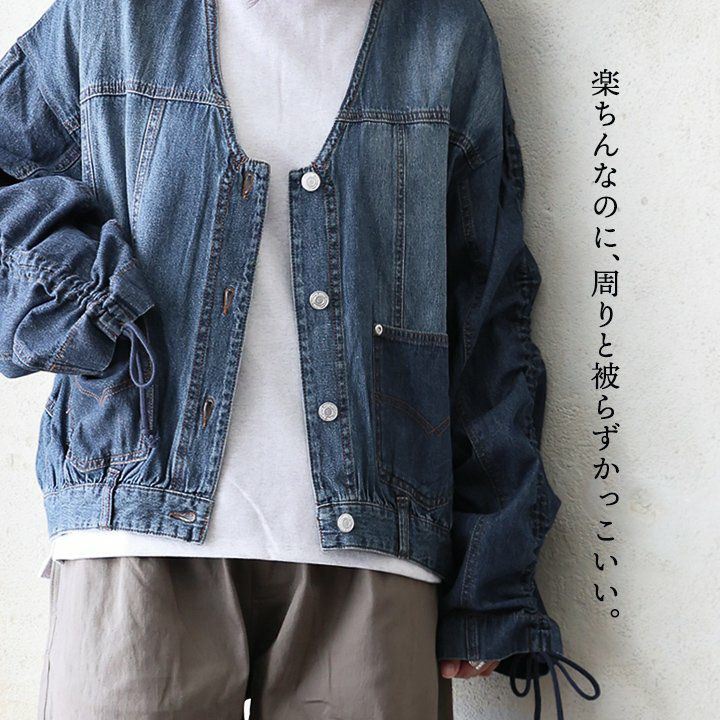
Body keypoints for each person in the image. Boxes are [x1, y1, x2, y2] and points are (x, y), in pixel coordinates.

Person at [0, 0, 601, 718]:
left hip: (376, 548)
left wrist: (491, 580)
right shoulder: (114, 17)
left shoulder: (443, 33)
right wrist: (89, 297)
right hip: (132, 532)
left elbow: (488, 311)